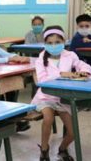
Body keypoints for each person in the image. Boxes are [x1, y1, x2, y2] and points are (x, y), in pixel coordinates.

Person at [32, 26, 89, 161]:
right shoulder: (41, 58)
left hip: (64, 98)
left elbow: (84, 67)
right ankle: (44, 149)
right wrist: (67, 75)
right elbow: (42, 80)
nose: (54, 45)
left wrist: (84, 72)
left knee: (73, 132)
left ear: (64, 41)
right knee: (48, 119)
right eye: (50, 43)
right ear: (45, 44)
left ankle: (62, 149)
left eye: (57, 42)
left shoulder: (70, 55)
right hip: (45, 96)